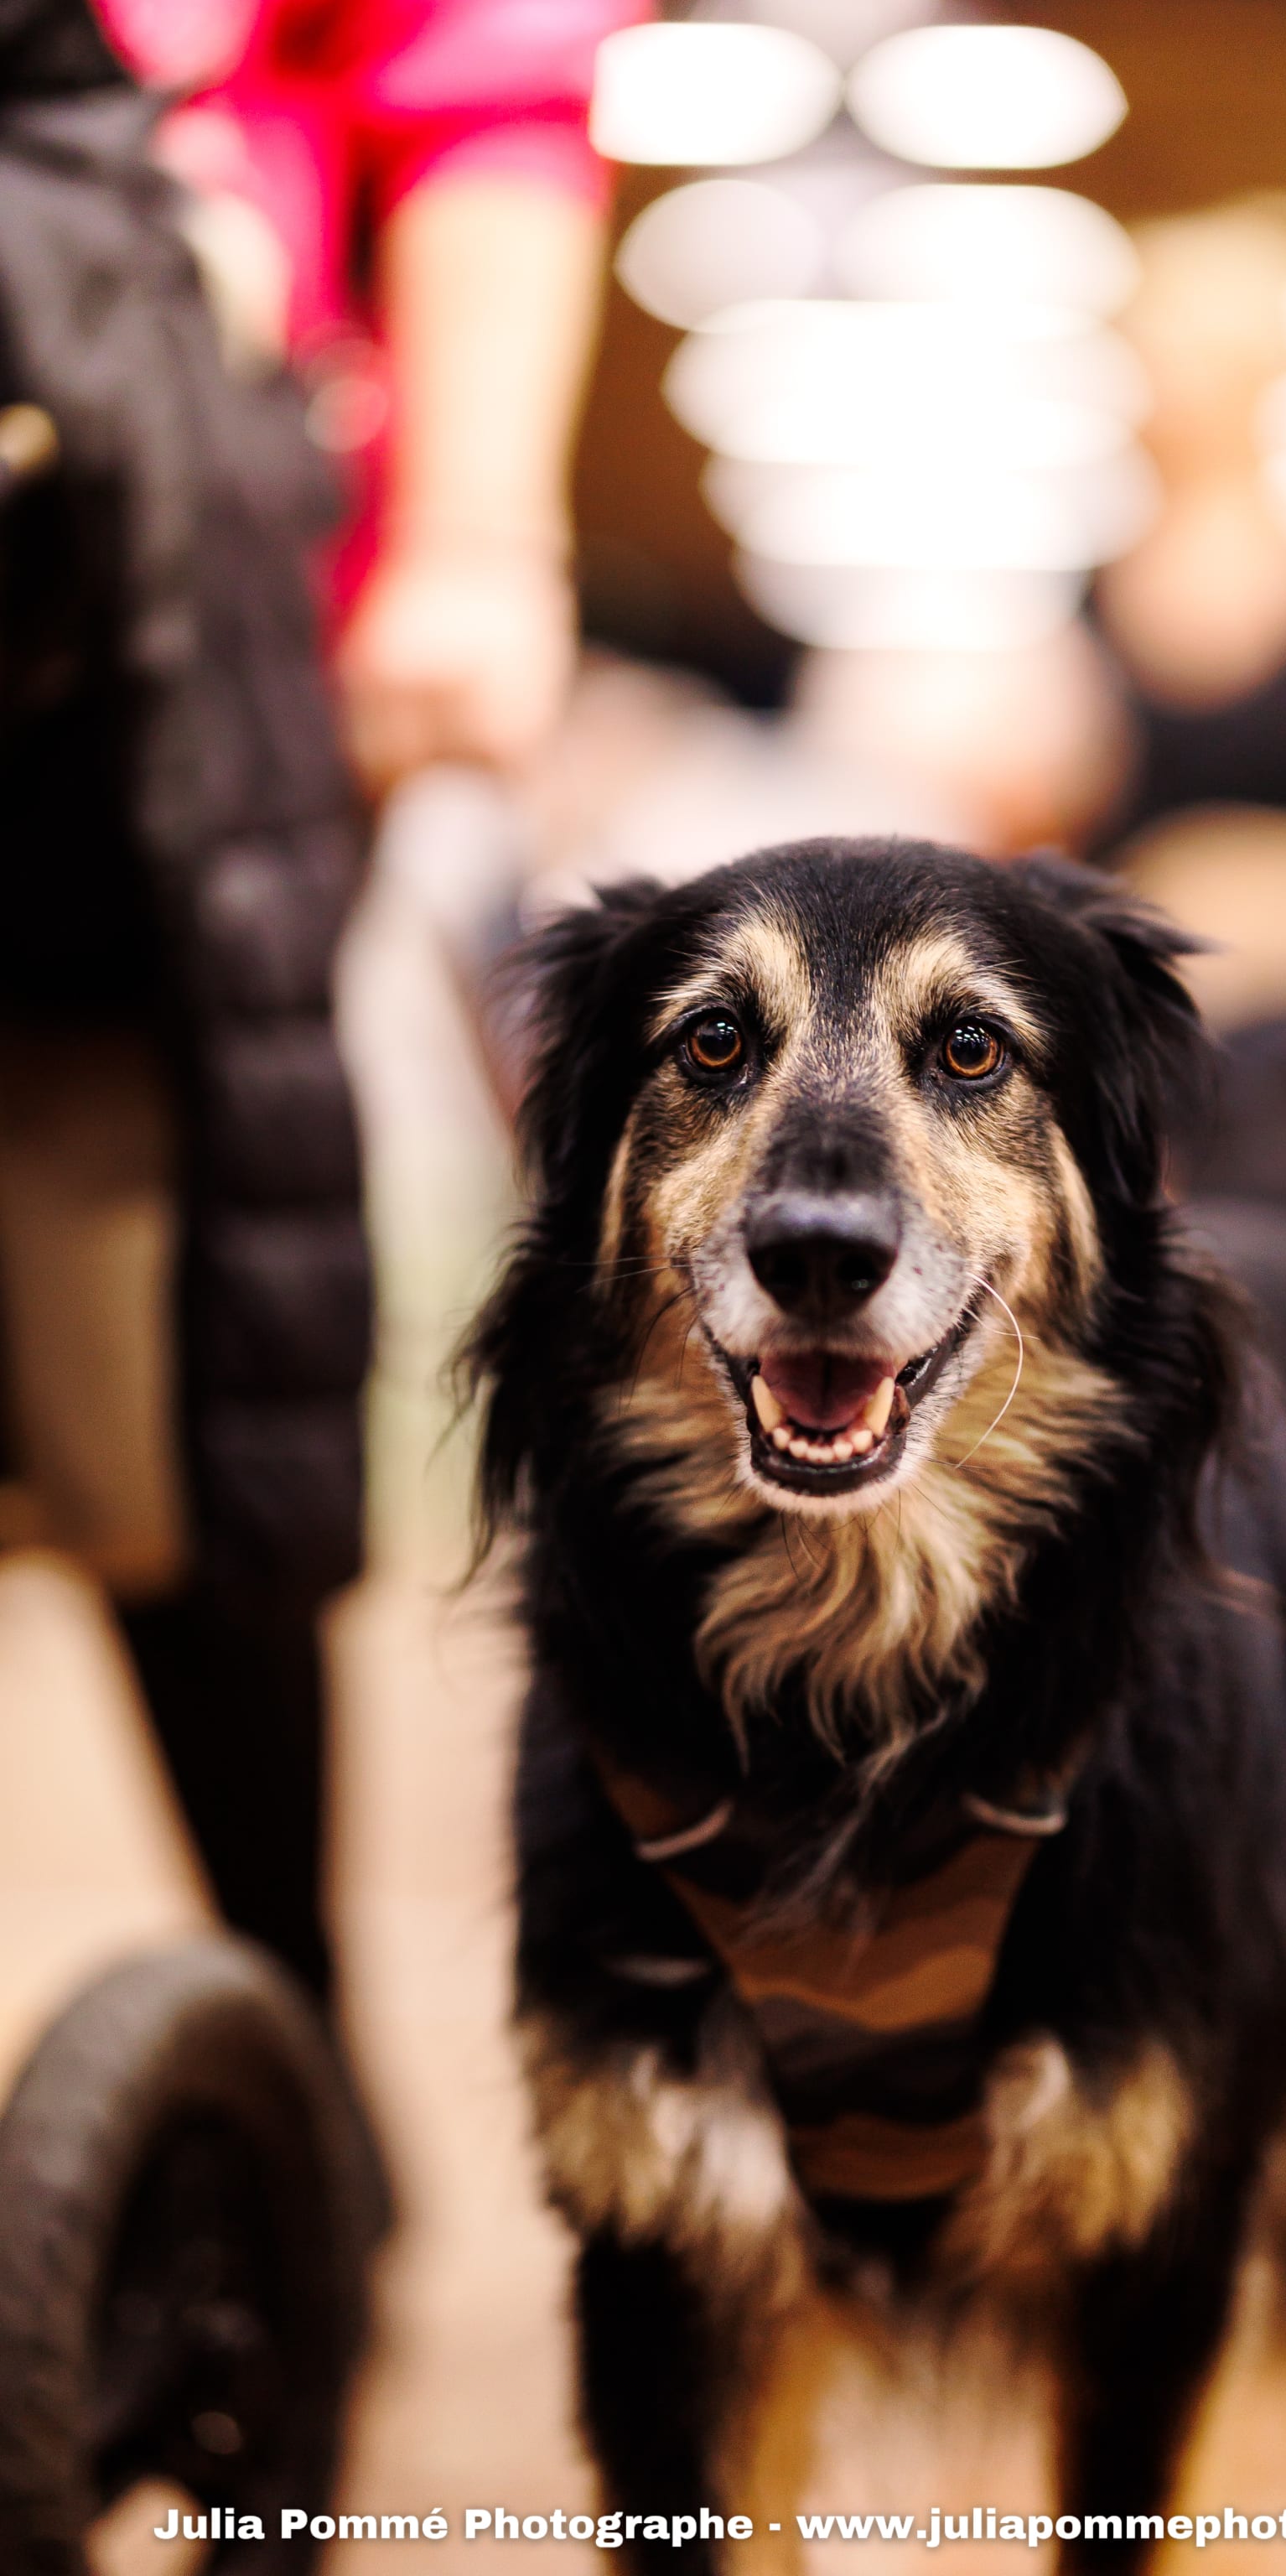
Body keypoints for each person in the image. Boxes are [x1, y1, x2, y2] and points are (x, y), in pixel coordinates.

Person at [0, 0, 641, 2022]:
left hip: (146, 658)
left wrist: (475, 533)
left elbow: (482, 82)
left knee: (179, 1399)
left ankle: (301, 2056)